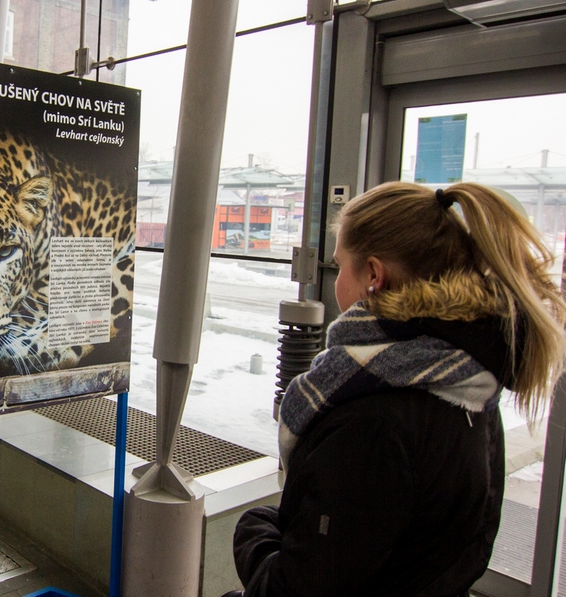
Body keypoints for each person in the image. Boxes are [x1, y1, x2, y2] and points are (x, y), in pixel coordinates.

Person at [231, 182, 566, 596]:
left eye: (339, 267)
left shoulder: (371, 422)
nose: (334, 284)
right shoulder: (470, 382)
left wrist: (255, 530)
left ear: (374, 275)